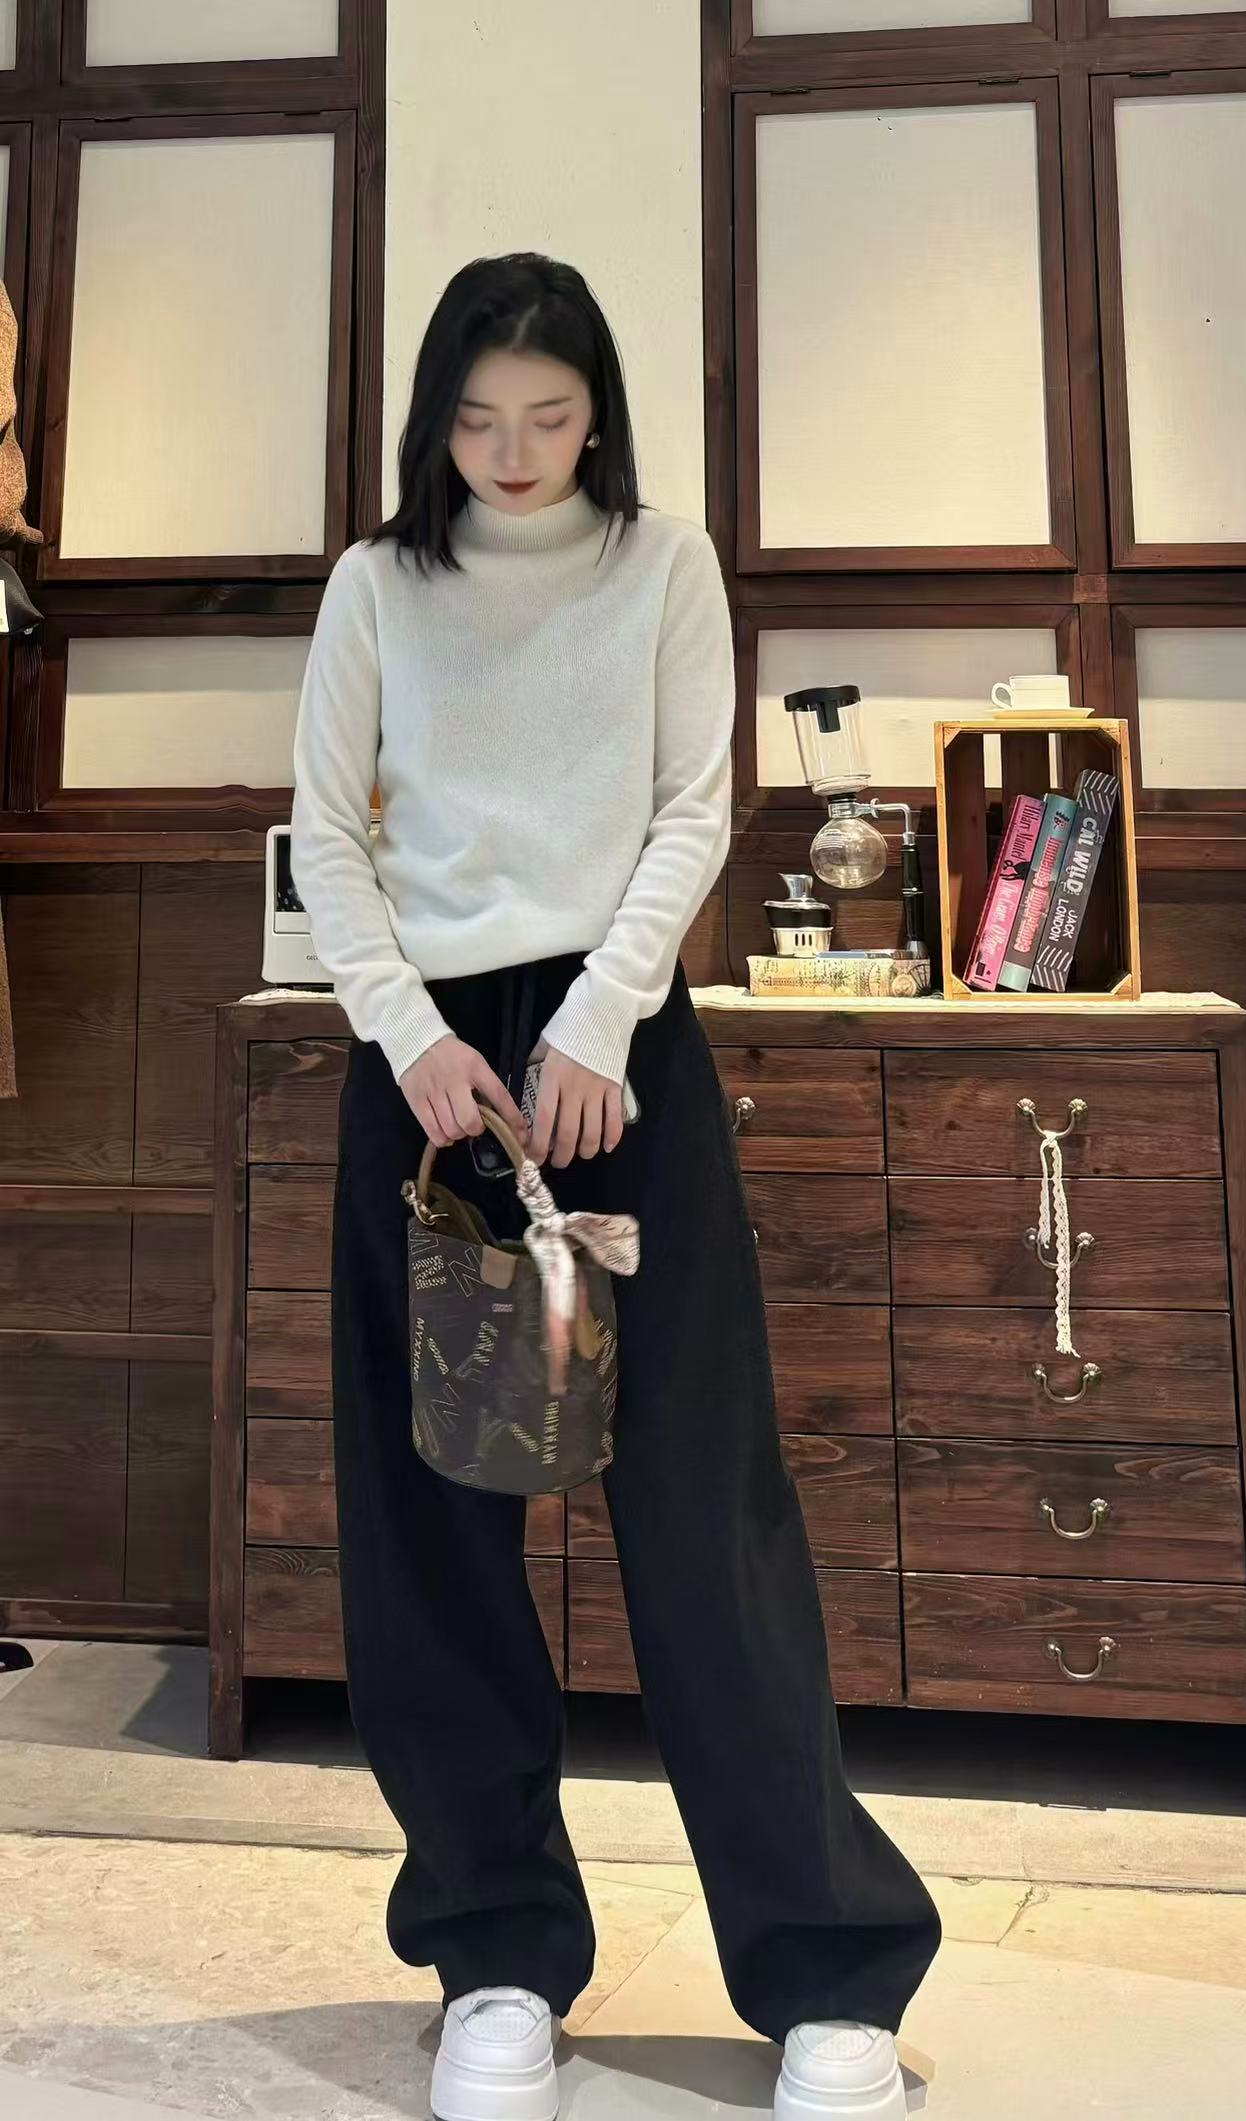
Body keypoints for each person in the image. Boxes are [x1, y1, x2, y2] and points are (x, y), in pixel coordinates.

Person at [289, 252, 940, 2121]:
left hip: (619, 1057)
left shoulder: (665, 566)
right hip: (428, 1080)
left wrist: (599, 1020)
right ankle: (493, 1957)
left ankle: (828, 1973)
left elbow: (689, 807)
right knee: (431, 1526)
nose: (512, 452)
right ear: (435, 421)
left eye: (550, 417)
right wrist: (415, 1040)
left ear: (600, 418)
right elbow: (329, 835)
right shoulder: (376, 586)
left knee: (702, 1506)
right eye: (478, 420)